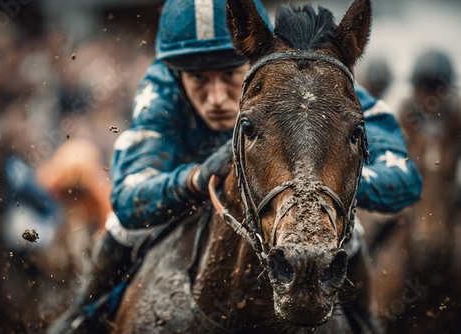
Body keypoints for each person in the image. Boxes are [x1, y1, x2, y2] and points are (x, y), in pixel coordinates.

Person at [49, 0, 423, 332]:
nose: (214, 98)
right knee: (121, 229)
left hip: (279, 195)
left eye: (229, 76)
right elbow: (130, 197)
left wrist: (332, 181)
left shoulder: (306, 76)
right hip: (187, 186)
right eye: (197, 79)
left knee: (348, 230)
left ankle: (365, 324)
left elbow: (405, 178)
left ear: (250, 57)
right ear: (177, 74)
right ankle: (81, 317)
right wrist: (196, 178)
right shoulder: (161, 84)